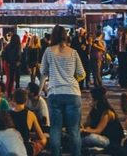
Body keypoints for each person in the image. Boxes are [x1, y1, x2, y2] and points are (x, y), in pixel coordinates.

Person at [42, 25, 84, 156]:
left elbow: (43, 72)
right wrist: (72, 79)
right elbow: (82, 73)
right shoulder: (73, 52)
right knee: (74, 131)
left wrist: (42, 88)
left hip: (55, 92)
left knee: (55, 129)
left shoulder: (49, 51)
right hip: (73, 92)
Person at [10, 89, 47, 155]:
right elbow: (41, 136)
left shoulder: (7, 114)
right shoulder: (30, 114)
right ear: (26, 100)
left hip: (11, 147)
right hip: (25, 149)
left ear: (13, 99)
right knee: (43, 140)